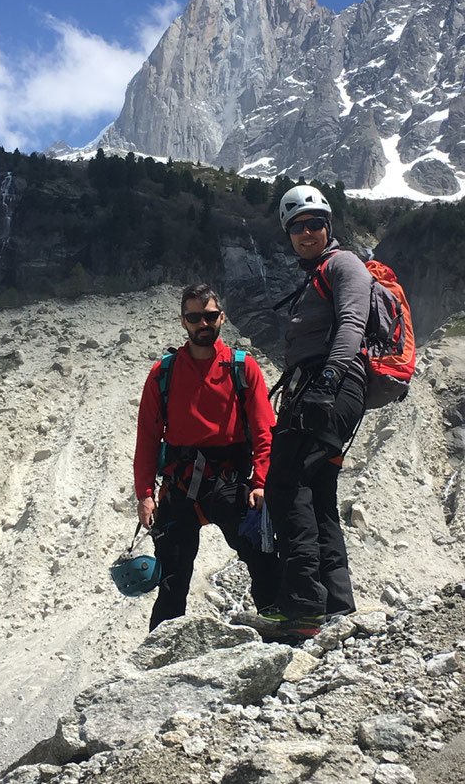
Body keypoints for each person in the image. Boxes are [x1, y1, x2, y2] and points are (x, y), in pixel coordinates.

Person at [133, 283, 279, 631]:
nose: (203, 323)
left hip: (230, 482)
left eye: (209, 316)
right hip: (180, 487)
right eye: (194, 317)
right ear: (183, 321)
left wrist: (261, 482)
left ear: (221, 318)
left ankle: (281, 631)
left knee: (263, 560)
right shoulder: (163, 373)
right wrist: (144, 495)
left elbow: (264, 431)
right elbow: (147, 438)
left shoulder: (243, 368)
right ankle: (160, 658)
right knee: (172, 578)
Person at [260, 184, 372, 639]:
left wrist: (326, 382)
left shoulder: (343, 264)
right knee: (318, 491)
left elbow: (352, 323)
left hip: (331, 386)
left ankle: (304, 607)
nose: (306, 233)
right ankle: (338, 609)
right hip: (320, 388)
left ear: (329, 226)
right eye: (297, 228)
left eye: (313, 225)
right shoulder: (318, 273)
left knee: (286, 485)